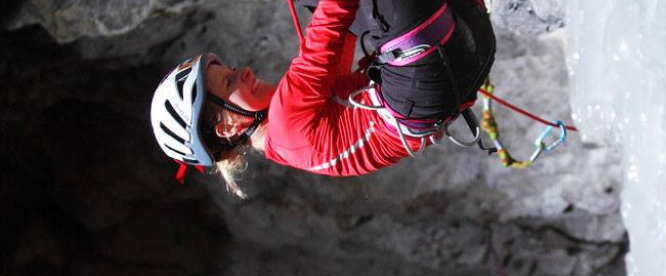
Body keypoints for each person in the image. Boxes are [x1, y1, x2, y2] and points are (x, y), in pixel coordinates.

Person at [149, 0, 496, 198]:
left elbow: (342, 37)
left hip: (456, 64)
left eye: (231, 69)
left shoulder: (288, 145)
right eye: (230, 81)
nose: (244, 71)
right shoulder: (285, 123)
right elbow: (329, 26)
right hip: (425, 69)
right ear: (226, 127)